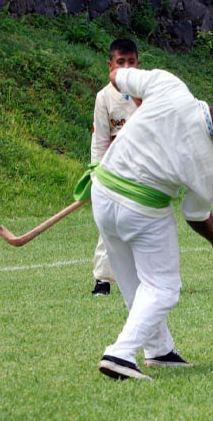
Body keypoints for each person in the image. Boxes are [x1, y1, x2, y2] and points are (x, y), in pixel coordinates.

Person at [85, 67, 213, 380]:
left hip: (103, 192)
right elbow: (195, 215)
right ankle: (120, 354)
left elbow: (117, 76)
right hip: (141, 208)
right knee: (163, 287)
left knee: (135, 284)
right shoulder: (207, 163)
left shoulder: (169, 86)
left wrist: (144, 107)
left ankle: (159, 349)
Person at [89, 38, 141, 296]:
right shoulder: (104, 97)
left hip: (145, 172)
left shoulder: (147, 92)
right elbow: (99, 141)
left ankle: (147, 277)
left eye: (131, 62)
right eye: (120, 62)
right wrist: (96, 174)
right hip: (114, 173)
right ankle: (103, 279)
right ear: (110, 65)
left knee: (143, 223)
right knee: (108, 225)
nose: (126, 67)